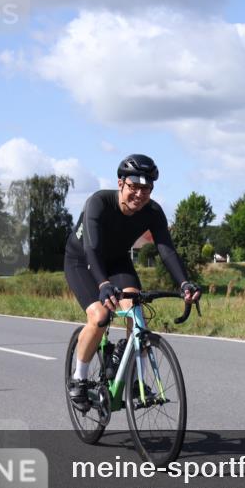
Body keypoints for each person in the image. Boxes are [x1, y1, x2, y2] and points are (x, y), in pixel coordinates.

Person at [64, 154, 201, 407]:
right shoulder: (99, 203)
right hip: (82, 260)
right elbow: (91, 249)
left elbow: (166, 250)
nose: (139, 194)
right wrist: (103, 285)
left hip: (117, 261)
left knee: (138, 315)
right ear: (120, 184)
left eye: (146, 189)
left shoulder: (153, 212)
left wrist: (184, 283)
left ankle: (129, 374)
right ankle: (79, 378)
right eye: (133, 187)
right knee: (100, 317)